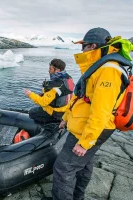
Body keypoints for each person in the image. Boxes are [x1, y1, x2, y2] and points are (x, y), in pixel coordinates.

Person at [50, 28, 133, 200]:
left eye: (84, 46)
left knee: (63, 168)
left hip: (89, 130)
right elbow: (82, 99)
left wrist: (86, 142)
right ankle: (77, 197)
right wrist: (66, 118)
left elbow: (101, 111)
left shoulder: (108, 71)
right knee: (84, 165)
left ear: (93, 46)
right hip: (86, 126)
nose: (82, 51)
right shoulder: (100, 66)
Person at [24, 59, 74, 123]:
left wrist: (30, 94)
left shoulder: (54, 85)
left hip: (56, 113)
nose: (49, 71)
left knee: (32, 112)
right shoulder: (68, 78)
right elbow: (60, 93)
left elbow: (43, 102)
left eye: (50, 69)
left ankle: (51, 123)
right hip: (66, 110)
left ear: (57, 70)